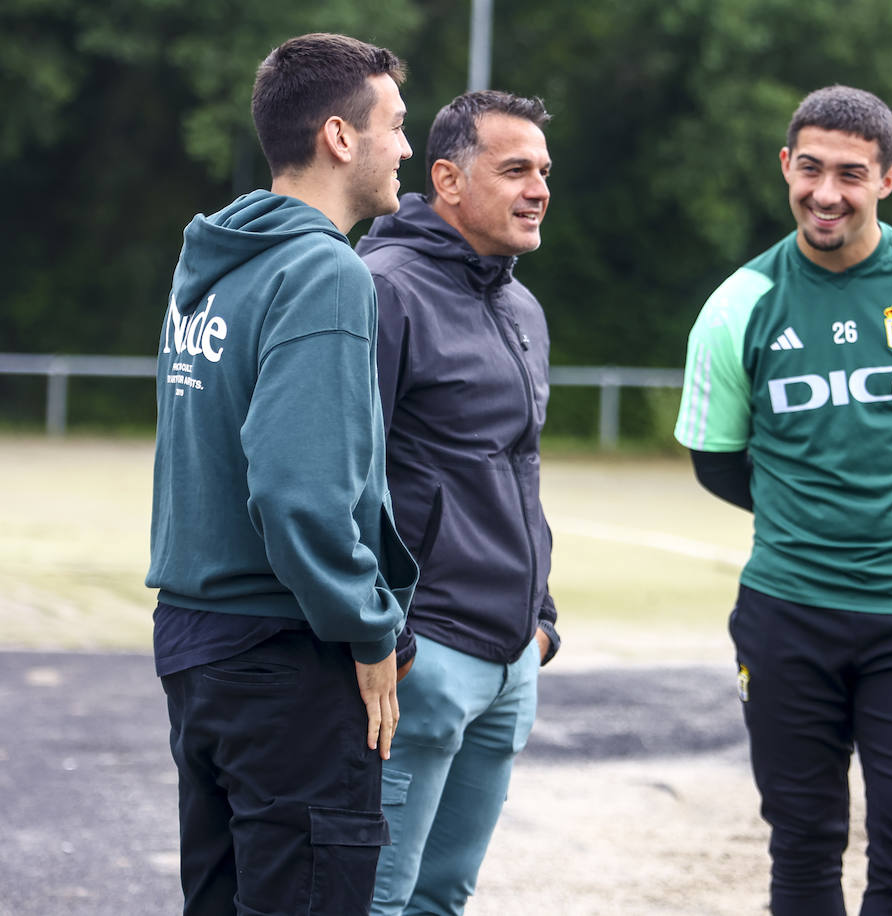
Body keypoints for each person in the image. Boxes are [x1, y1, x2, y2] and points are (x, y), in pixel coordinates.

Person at [674, 85, 892, 915]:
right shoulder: (738, 305)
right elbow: (717, 461)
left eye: (850, 174)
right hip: (788, 613)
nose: (826, 193)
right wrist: (809, 520)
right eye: (810, 169)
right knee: (803, 844)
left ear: (887, 179)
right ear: (786, 166)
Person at [146, 32, 420, 916]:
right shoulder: (323, 270)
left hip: (197, 645)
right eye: (398, 126)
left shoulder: (214, 267)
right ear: (341, 137)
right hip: (284, 656)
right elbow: (295, 492)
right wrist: (370, 628)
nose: (408, 150)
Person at [355, 90, 560, 916]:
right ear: (446, 177)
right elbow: (342, 476)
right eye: (515, 170)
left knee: (444, 898)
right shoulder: (380, 289)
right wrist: (395, 637)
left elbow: (520, 469)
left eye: (545, 171)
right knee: (375, 899)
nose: (539, 188)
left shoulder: (521, 305)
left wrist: (540, 619)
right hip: (422, 656)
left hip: (511, 658)